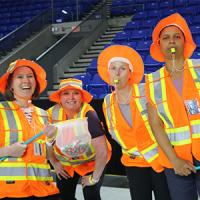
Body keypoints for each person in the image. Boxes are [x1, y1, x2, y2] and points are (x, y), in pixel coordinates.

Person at [97, 45, 171, 200]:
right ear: (107, 72)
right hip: (134, 164)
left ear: (130, 73)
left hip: (161, 159)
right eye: (113, 68)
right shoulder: (107, 101)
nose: (117, 73)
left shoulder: (146, 91)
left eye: (122, 68)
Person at [145, 13, 200, 200]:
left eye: (177, 36)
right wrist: (174, 160)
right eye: (166, 38)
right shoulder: (152, 82)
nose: (172, 41)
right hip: (177, 161)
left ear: (185, 41)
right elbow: (156, 125)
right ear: (158, 44)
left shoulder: (199, 68)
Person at [0, 59, 59, 199]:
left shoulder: (43, 114)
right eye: (20, 77)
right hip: (11, 192)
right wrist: (7, 151)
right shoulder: (1, 111)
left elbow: (45, 154)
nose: (26, 80)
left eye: (30, 76)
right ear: (11, 85)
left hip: (43, 190)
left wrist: (50, 141)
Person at [46, 78, 111, 200]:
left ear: (81, 97)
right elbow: (47, 144)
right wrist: (55, 163)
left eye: (76, 93)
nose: (71, 97)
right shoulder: (50, 114)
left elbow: (101, 150)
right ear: (59, 97)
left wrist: (94, 178)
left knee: (91, 193)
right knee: (64, 196)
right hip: (68, 164)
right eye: (66, 93)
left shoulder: (89, 114)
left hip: (92, 162)